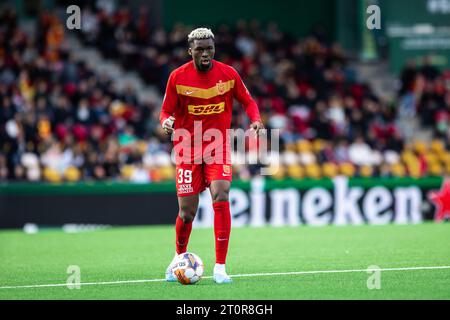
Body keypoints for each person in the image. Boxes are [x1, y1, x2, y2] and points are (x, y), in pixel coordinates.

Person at [160, 28, 263, 284]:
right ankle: (179, 257)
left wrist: (256, 120)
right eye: (200, 49)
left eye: (209, 48)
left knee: (221, 194)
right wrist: (166, 122)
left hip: (218, 147)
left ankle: (220, 267)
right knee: (187, 213)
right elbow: (164, 111)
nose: (205, 53)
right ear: (190, 51)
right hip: (187, 149)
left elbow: (248, 101)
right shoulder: (177, 77)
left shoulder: (228, 74)